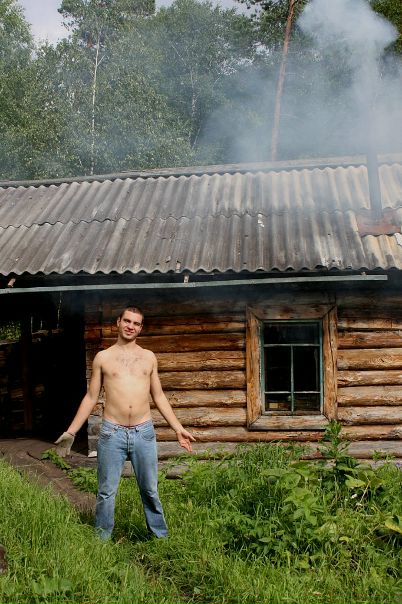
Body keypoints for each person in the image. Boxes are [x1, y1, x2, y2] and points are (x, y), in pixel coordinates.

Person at [55, 306, 195, 541]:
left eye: (136, 323)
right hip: (112, 433)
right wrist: (71, 432)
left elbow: (159, 396)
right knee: (106, 491)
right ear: (118, 322)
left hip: (144, 433)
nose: (131, 326)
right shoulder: (103, 358)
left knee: (150, 489)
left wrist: (178, 428)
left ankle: (160, 537)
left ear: (141, 328)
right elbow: (91, 397)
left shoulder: (148, 357)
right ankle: (101, 540)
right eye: (127, 321)